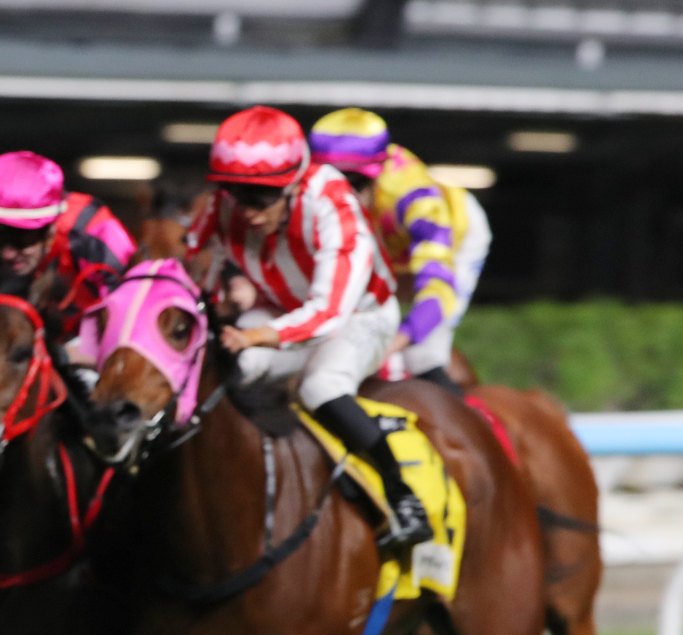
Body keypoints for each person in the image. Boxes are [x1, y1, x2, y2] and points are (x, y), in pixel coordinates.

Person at [187, 105, 430, 551]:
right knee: (232, 370)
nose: (248, 211)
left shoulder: (333, 204)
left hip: (359, 317)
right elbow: (187, 258)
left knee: (320, 386)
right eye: (237, 193)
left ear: (296, 182)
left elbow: (328, 314)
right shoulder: (224, 206)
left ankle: (404, 497)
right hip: (278, 309)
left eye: (263, 197)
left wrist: (255, 335)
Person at [309, 108, 491, 397]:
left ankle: (473, 421)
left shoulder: (416, 198)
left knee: (422, 353)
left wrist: (396, 342)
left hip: (454, 238)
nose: (344, 195)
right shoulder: (309, 191)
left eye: (356, 183)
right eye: (332, 181)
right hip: (386, 242)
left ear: (379, 172)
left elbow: (437, 289)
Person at [0, 150, 135, 388]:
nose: (7, 253)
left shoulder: (96, 234)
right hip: (24, 354)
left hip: (96, 350)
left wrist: (65, 355)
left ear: (51, 230)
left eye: (21, 238)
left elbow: (134, 335)